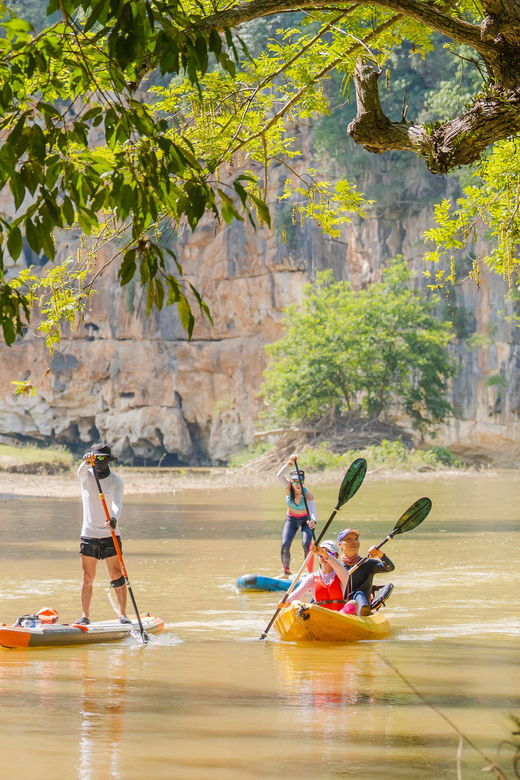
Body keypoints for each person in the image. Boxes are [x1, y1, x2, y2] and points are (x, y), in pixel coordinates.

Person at [76, 443, 130, 625]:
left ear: (108, 460)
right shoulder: (86, 476)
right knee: (87, 577)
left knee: (116, 575)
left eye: (102, 458)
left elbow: (117, 504)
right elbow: (81, 471)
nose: (98, 462)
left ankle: (123, 615)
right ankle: (85, 616)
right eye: (95, 458)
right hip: (89, 534)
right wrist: (86, 460)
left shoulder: (116, 481)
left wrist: (114, 518)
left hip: (110, 534)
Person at [335, 527, 395, 616]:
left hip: (362, 609)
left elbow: (390, 568)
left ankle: (363, 611)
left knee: (358, 593)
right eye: (349, 539)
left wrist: (380, 554)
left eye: (356, 539)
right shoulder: (336, 566)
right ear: (340, 545)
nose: (354, 542)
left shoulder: (368, 564)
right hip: (342, 610)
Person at [284, 540, 354, 613]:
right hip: (320, 617)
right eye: (320, 555)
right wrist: (285, 602)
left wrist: (323, 553)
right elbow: (296, 595)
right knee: (295, 603)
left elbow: (338, 566)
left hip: (340, 615)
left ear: (336, 556)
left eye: (329, 553)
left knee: (353, 603)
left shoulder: (342, 574)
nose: (323, 557)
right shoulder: (311, 578)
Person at [276, 454, 317, 577]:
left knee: (306, 544)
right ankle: (286, 572)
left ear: (303, 482)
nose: (297, 485)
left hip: (305, 521)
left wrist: (313, 521)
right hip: (291, 520)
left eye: (299, 482)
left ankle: (309, 573)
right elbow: (279, 476)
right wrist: (290, 463)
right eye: (294, 481)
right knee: (285, 544)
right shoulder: (288, 488)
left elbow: (313, 512)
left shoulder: (308, 495)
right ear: (292, 482)